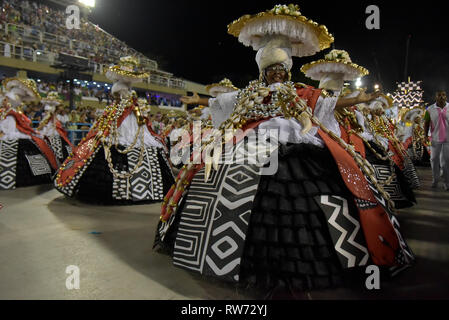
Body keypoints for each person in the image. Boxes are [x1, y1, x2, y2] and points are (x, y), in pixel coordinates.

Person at [154, 4, 414, 298]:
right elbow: (222, 104)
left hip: (296, 141)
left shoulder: (299, 92)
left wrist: (355, 100)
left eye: (281, 69)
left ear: (287, 71)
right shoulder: (250, 93)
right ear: (264, 71)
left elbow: (326, 104)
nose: (277, 74)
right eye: (272, 70)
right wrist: (197, 100)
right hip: (252, 142)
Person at [54, 56, 175, 204]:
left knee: (133, 138)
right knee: (116, 138)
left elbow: (132, 105)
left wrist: (136, 108)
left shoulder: (126, 89)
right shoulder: (119, 87)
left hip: (127, 116)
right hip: (121, 116)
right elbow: (127, 102)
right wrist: (133, 103)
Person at [0, 77, 58, 190]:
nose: (21, 101)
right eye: (20, 98)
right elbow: (10, 132)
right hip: (10, 141)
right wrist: (28, 135)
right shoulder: (11, 115)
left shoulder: (15, 114)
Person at [36, 91, 74, 164]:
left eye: (47, 111)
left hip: (51, 131)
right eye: (45, 111)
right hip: (48, 130)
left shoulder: (52, 116)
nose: (46, 112)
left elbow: (46, 122)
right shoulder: (51, 116)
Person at [424, 91, 449, 190]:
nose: (442, 97)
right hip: (435, 139)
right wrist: (425, 135)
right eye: (439, 95)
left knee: (446, 162)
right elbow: (426, 123)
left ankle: (447, 183)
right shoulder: (430, 109)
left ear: (446, 96)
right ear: (436, 97)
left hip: (448, 140)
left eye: (443, 95)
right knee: (434, 160)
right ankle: (435, 180)